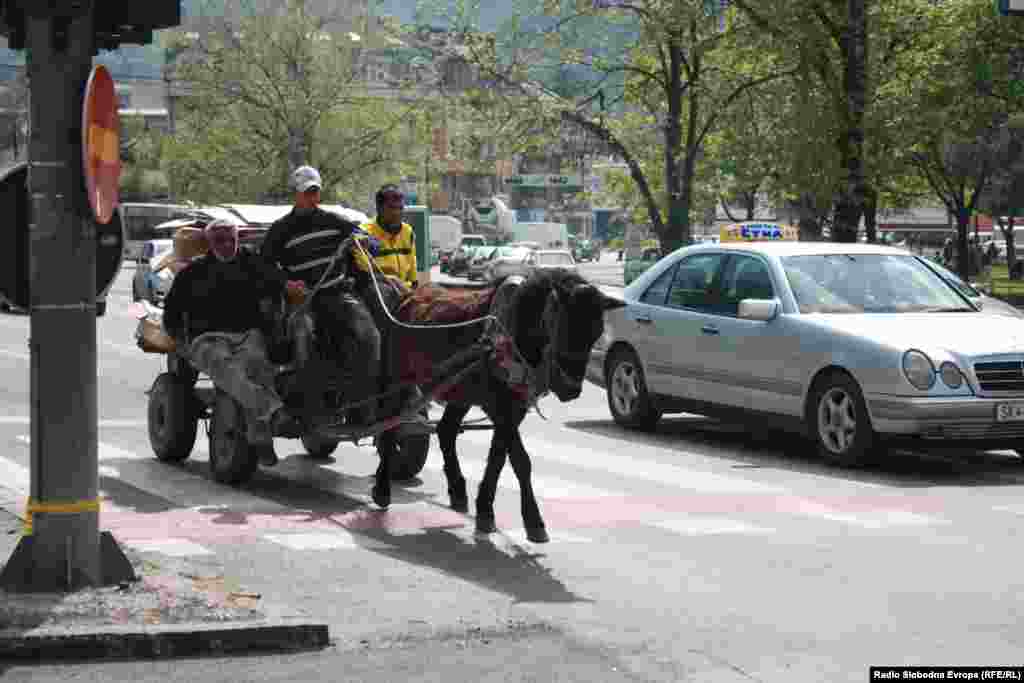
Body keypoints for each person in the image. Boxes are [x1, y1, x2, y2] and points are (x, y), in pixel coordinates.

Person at [162, 218, 304, 467]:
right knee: (229, 370)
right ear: (209, 243)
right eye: (220, 240)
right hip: (207, 340)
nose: (226, 245)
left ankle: (259, 437)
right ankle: (272, 410)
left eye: (231, 240)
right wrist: (182, 342)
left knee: (259, 367)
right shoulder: (192, 273)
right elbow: (171, 313)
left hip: (247, 335)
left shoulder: (252, 264)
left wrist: (289, 286)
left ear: (237, 240)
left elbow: (277, 280)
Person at [261, 166, 382, 427]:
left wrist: (365, 242)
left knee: (369, 335)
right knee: (303, 335)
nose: (312, 197)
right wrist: (286, 283)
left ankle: (361, 405)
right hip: (303, 301)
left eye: (315, 192)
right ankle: (311, 407)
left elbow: (371, 241)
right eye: (307, 192)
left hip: (338, 294)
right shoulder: (281, 229)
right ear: (296, 194)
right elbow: (264, 266)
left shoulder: (334, 220)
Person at [353, 184, 418, 290]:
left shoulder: (407, 231)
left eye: (400, 208)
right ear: (379, 208)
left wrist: (414, 289)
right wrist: (390, 280)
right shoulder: (364, 233)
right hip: (378, 291)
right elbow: (363, 274)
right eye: (391, 208)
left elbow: (413, 270)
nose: (397, 213)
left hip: (405, 291)